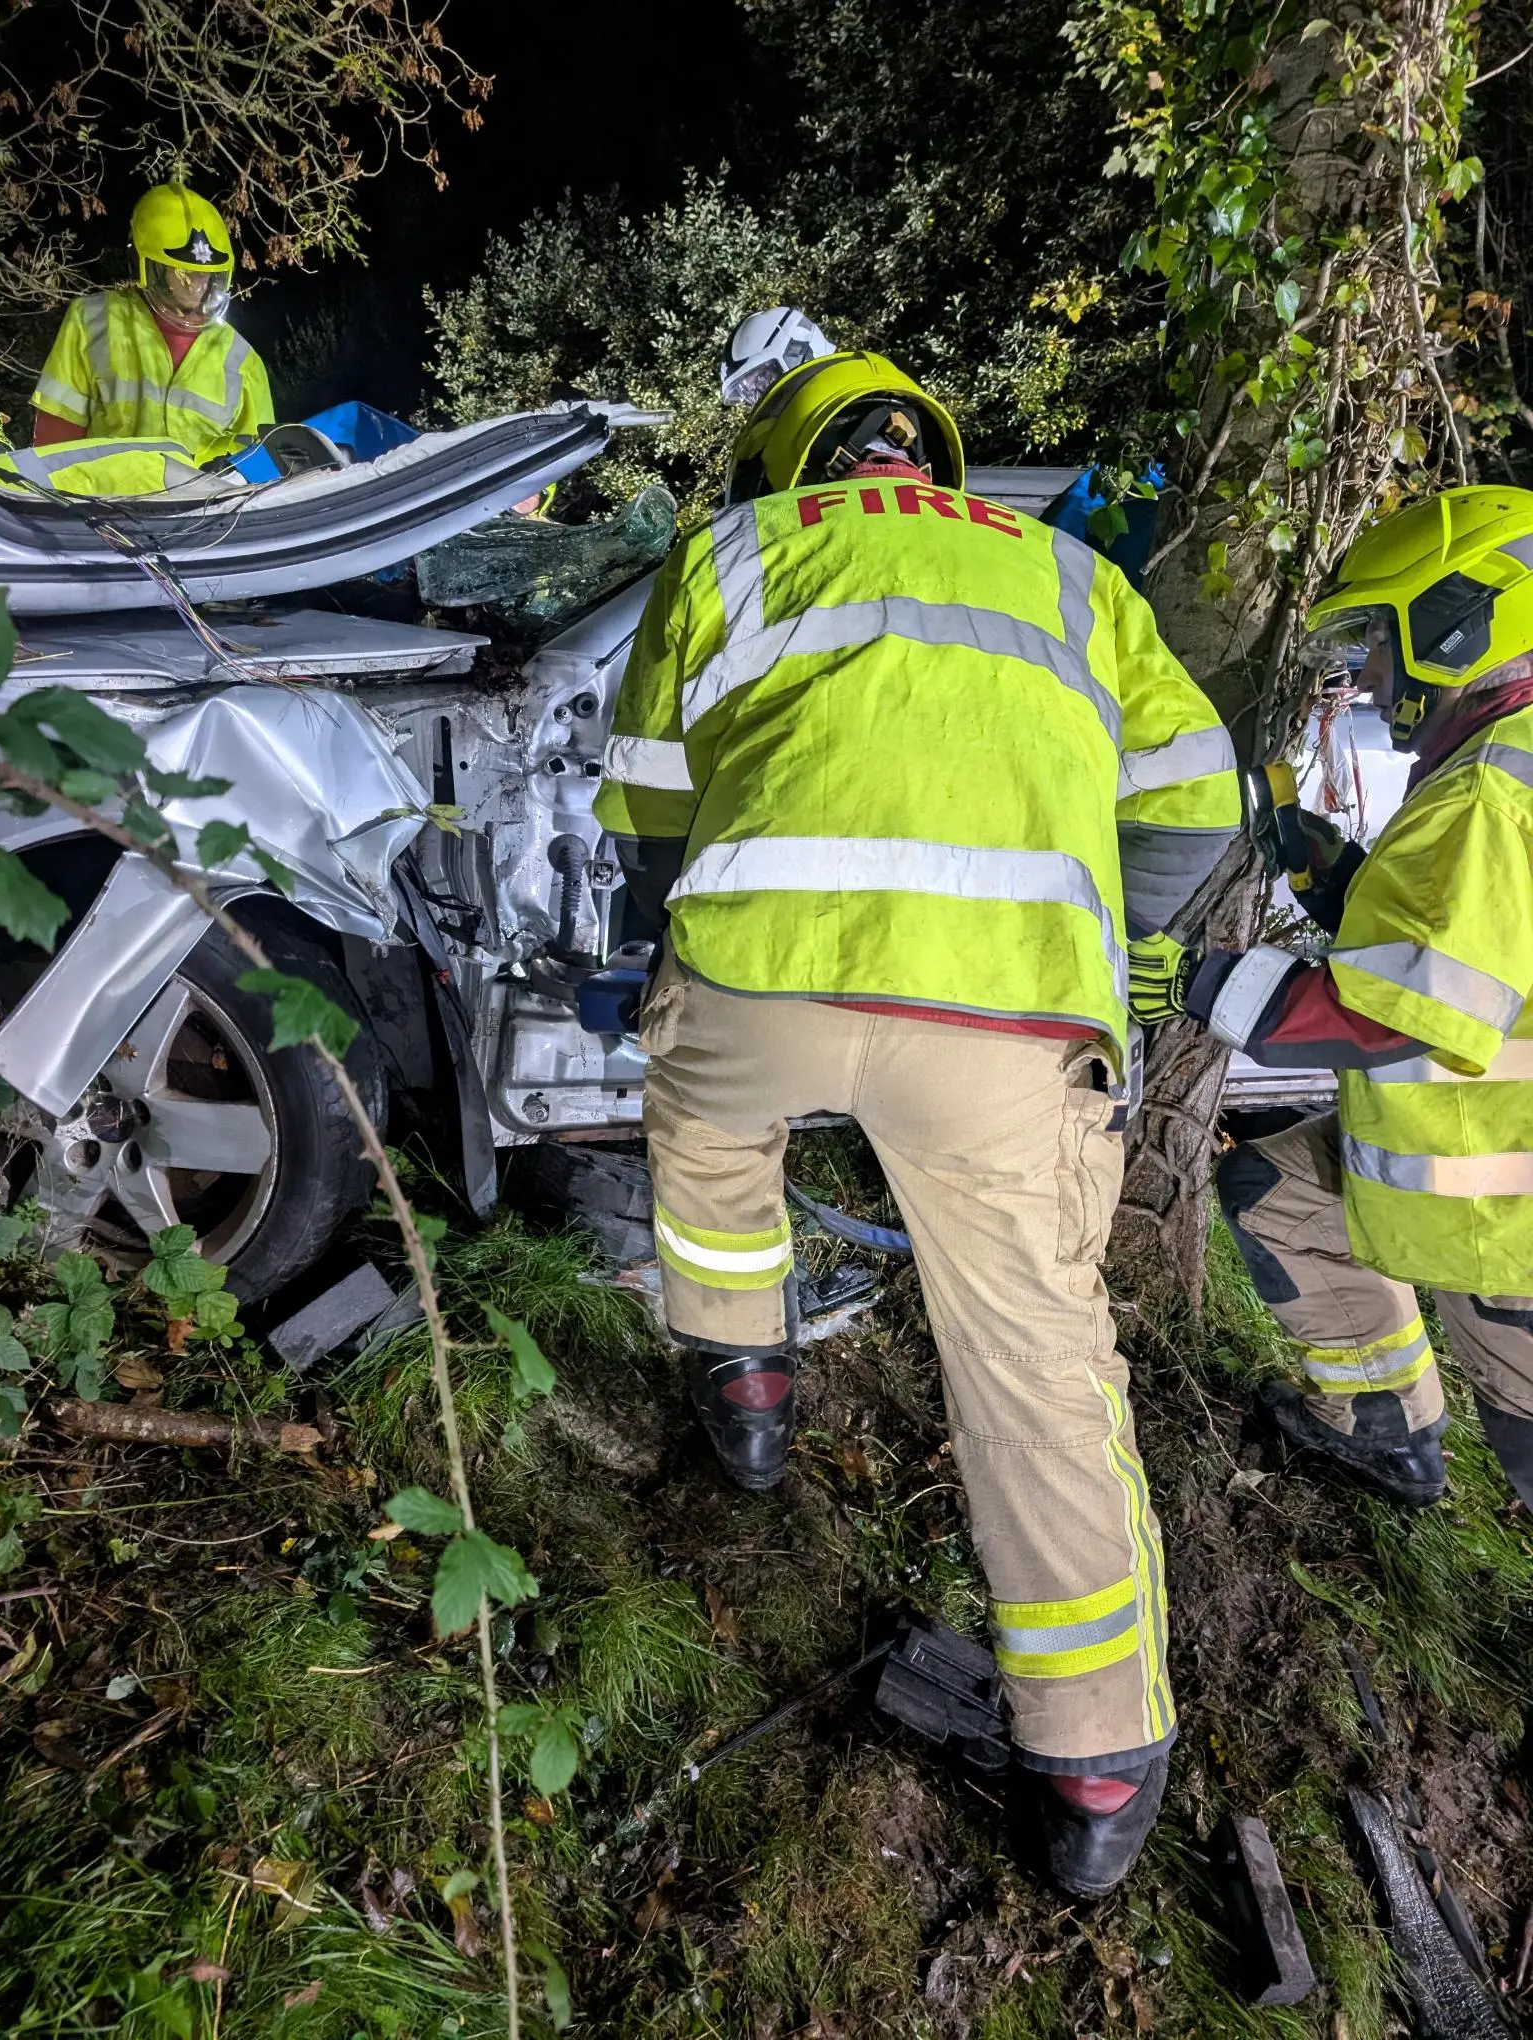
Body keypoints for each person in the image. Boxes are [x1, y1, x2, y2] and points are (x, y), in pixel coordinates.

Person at [593, 351, 1241, 1896]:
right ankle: (1095, 1764)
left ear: (783, 468)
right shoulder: (1071, 575)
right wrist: (1127, 958)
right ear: (931, 464)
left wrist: (664, 946)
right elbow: (1198, 803)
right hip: (1006, 1025)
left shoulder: (730, 553)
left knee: (705, 1133)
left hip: (763, 979)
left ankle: (747, 1384)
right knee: (1035, 1359)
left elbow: (647, 805)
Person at [1127, 486, 1533, 1514]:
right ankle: (1381, 1428)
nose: (1372, 677)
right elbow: (1465, 946)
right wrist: (1325, 869)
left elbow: (1391, 1011)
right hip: (1471, 1160)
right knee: (1274, 1193)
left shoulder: (1489, 791)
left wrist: (1194, 984)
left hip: (1507, 1217)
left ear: (1459, 623)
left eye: (1382, 643)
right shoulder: (1500, 766)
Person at [30, 182, 272, 475]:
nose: (197, 284)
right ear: (148, 266)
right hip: (106, 500)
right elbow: (54, 443)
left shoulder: (243, 361)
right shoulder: (93, 321)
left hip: (203, 503)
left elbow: (263, 465)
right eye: (183, 271)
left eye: (206, 274)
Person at [719, 307, 834, 409]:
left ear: (797, 350)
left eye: (763, 378)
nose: (762, 397)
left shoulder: (841, 404)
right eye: (751, 394)